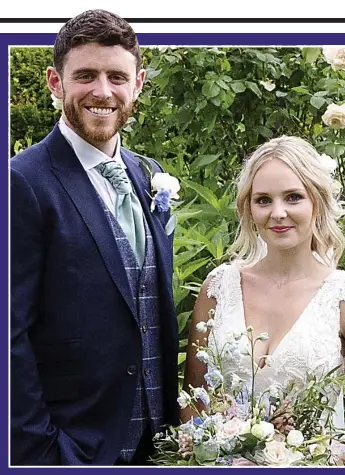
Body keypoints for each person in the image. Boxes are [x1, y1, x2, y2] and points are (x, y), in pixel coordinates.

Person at [11, 9, 179, 466]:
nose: (102, 92)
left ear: (138, 84)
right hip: (71, 448)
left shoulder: (151, 175)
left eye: (116, 77)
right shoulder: (21, 183)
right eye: (85, 75)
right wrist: (41, 451)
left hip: (159, 444)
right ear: (55, 81)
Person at [183, 136, 345, 465]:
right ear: (249, 207)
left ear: (317, 201)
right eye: (264, 200)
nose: (278, 213)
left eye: (293, 197)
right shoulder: (219, 287)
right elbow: (193, 401)